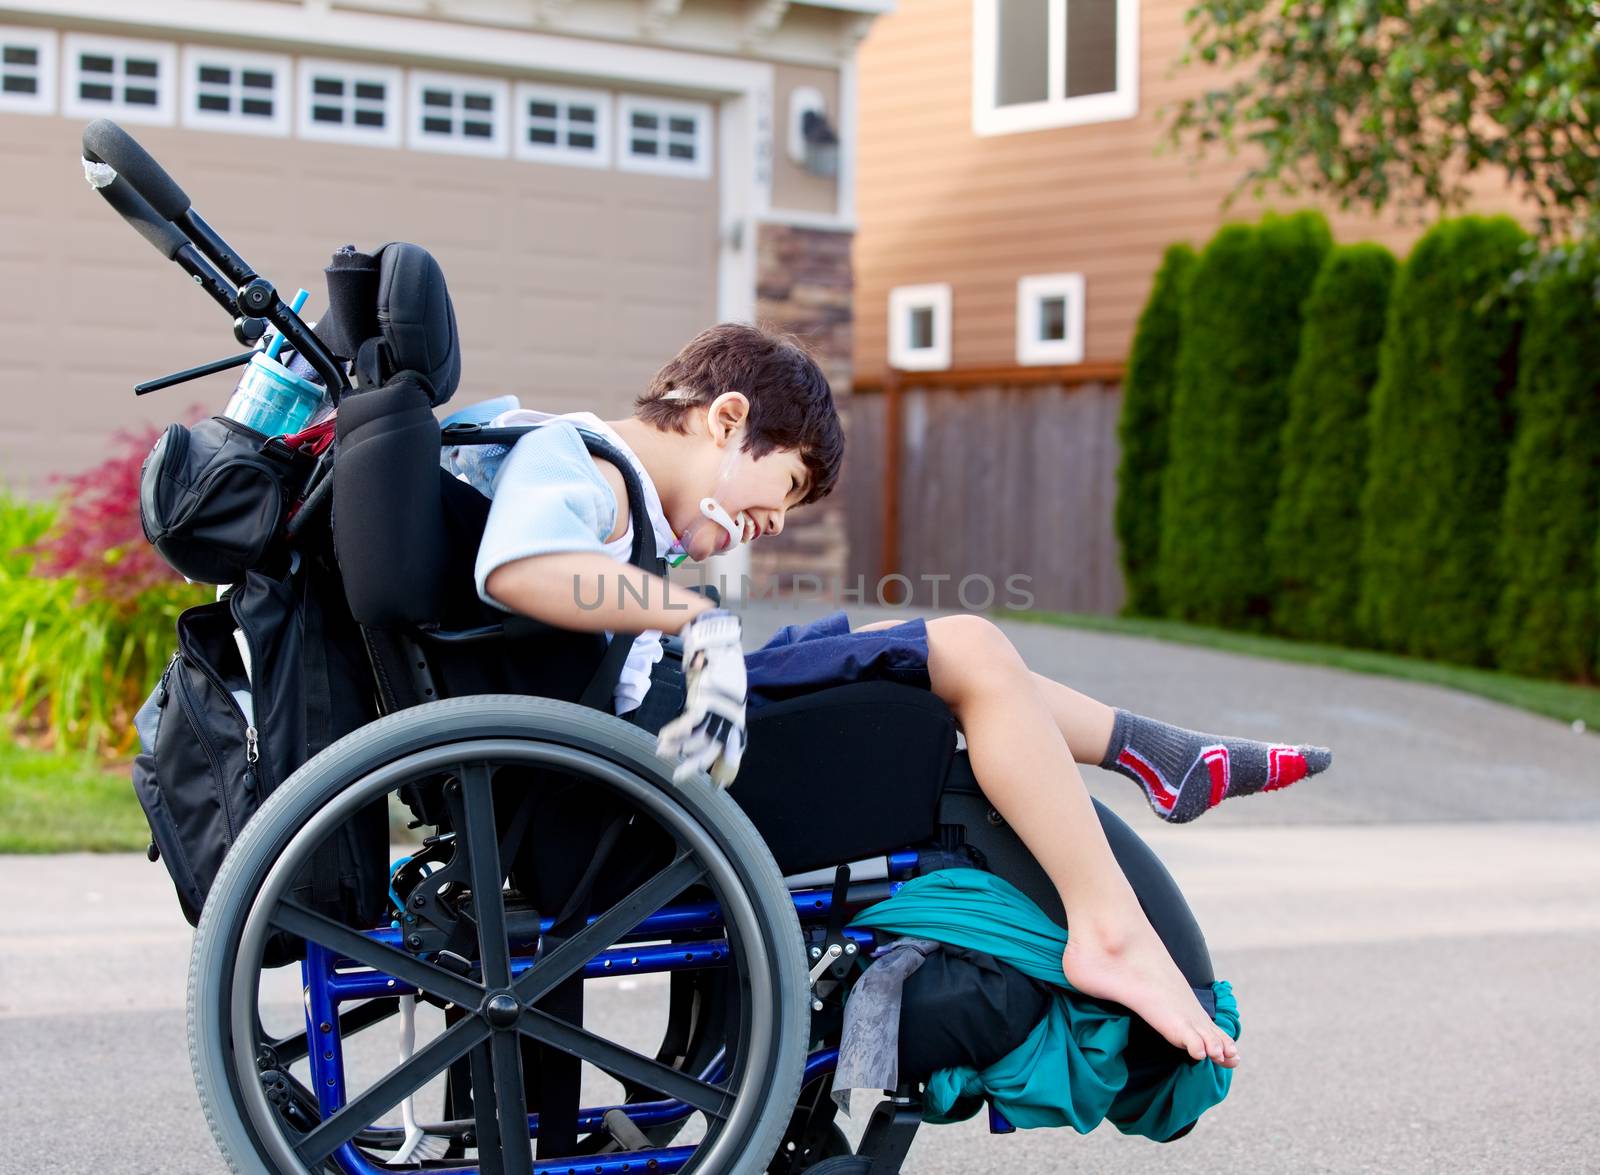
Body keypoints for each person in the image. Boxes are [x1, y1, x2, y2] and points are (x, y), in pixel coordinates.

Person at [456, 323, 1333, 1070]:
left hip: (626, 773)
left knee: (882, 647)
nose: (775, 522)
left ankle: (1158, 753)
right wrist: (700, 622)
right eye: (788, 486)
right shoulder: (582, 462)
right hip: (624, 804)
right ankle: (1112, 907)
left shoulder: (613, 486)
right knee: (965, 649)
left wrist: (693, 615)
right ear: (728, 421)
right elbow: (519, 566)